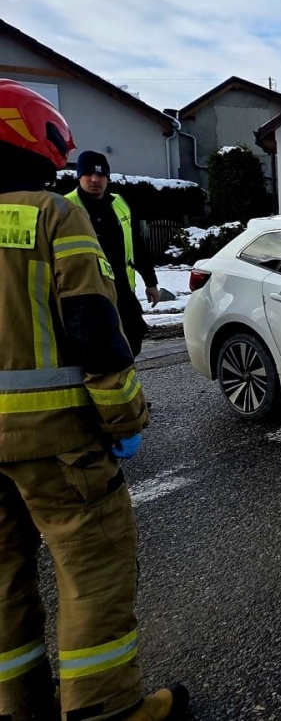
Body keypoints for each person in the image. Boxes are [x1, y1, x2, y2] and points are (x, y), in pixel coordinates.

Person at [0, 80, 187, 721]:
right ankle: (104, 709)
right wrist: (128, 418)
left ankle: (17, 707)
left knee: (3, 586)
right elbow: (95, 337)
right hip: (57, 447)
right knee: (94, 573)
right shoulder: (53, 216)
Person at [64, 151, 160, 357]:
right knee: (98, 351)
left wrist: (150, 282)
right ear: (79, 176)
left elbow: (136, 244)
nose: (95, 180)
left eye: (101, 175)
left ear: (107, 178)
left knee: (134, 336)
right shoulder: (66, 207)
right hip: (87, 294)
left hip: (122, 291)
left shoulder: (119, 203)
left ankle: (124, 382)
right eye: (88, 174)